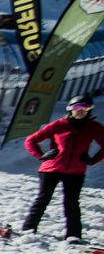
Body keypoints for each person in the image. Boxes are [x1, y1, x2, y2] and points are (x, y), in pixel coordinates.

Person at [22, 95, 104, 242]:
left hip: (76, 171)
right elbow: (31, 140)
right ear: (70, 109)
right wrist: (42, 155)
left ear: (90, 110)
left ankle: (73, 235)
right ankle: (28, 228)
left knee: (71, 202)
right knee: (43, 199)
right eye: (76, 107)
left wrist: (93, 160)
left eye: (85, 107)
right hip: (51, 169)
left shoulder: (94, 128)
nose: (80, 111)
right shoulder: (59, 125)